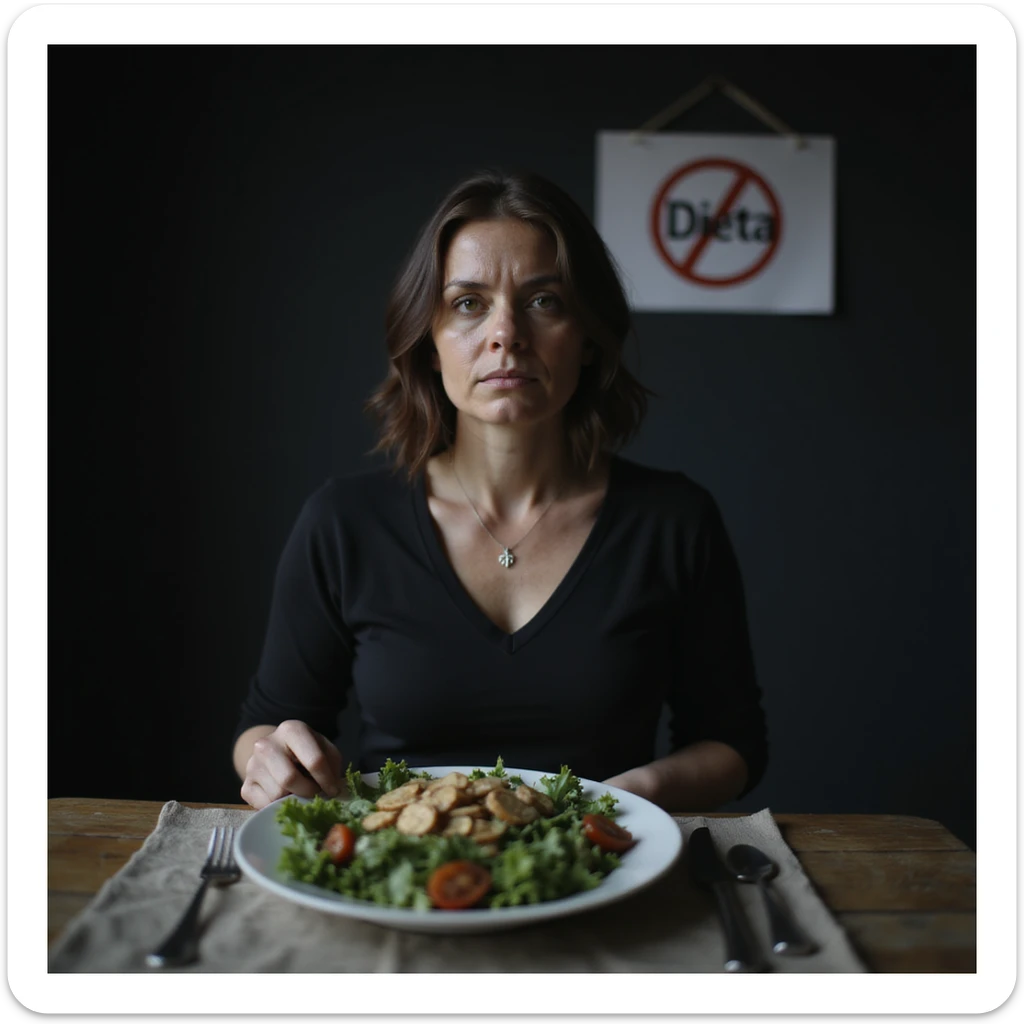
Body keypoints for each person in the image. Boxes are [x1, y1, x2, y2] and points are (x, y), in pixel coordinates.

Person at [232, 168, 767, 812]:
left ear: (589, 341)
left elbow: (733, 743)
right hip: (398, 876)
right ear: (429, 343)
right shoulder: (343, 522)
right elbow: (267, 725)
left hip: (604, 865)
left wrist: (630, 799)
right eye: (468, 303)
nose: (506, 334)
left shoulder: (675, 521)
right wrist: (270, 759)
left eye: (545, 301)